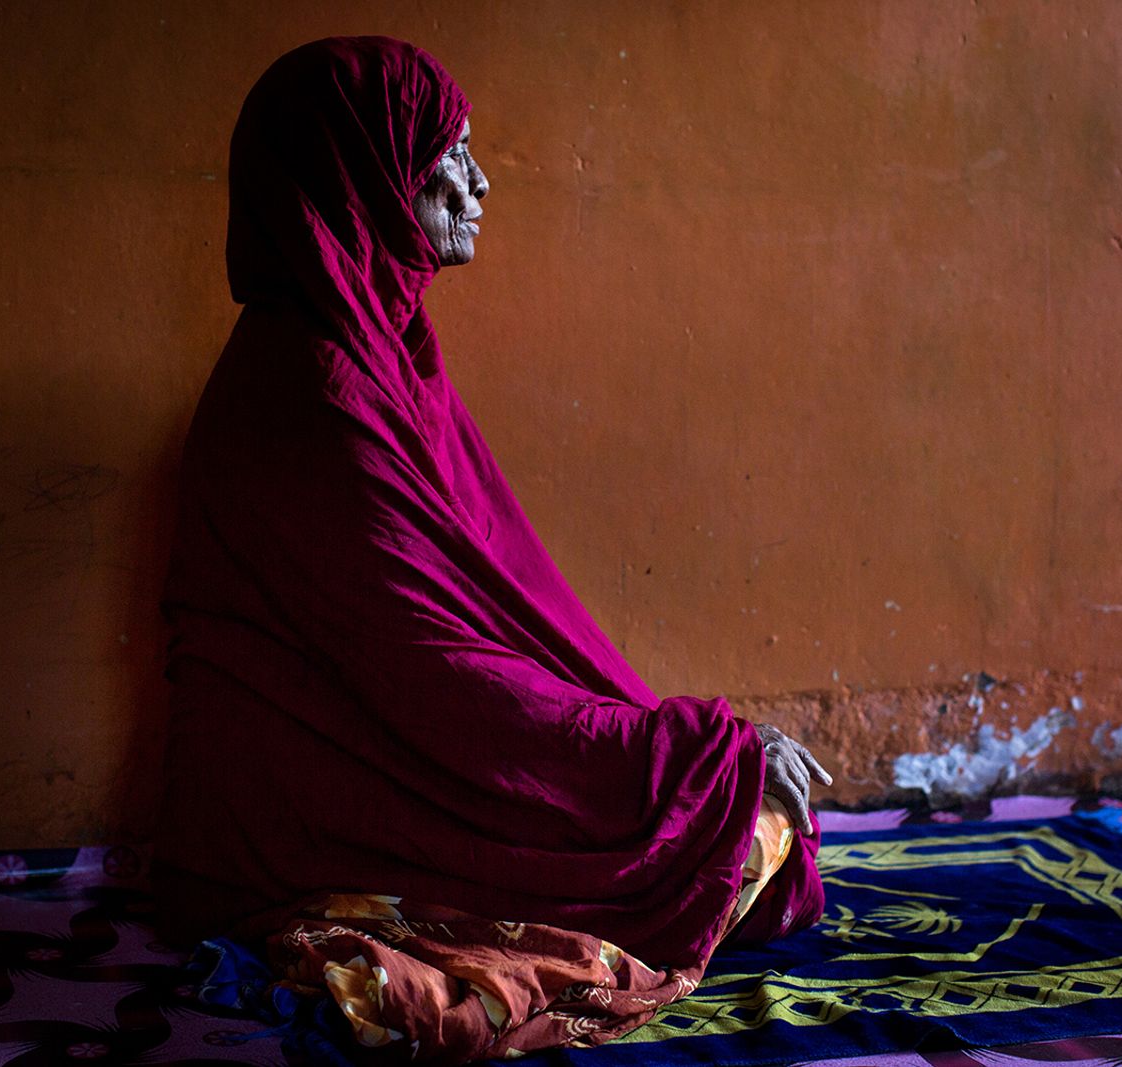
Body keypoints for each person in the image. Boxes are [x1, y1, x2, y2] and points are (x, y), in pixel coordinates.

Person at [153, 35, 830, 1060]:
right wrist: (680, 756)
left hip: (386, 746)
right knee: (723, 823)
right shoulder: (315, 388)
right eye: (443, 155)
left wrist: (678, 749)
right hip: (305, 804)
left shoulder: (383, 351)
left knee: (731, 812)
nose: (475, 183)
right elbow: (432, 675)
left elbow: (509, 608)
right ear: (362, 174)